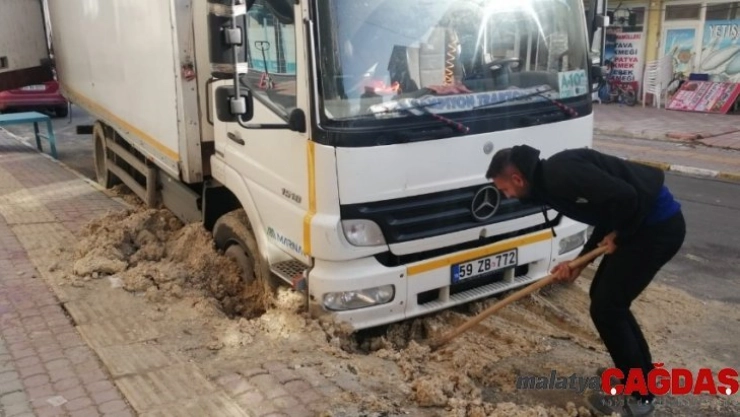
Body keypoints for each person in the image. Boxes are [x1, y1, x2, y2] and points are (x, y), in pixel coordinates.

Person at [485, 144, 686, 416]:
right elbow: (607, 211)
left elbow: (626, 197)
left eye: (505, 189)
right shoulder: (548, 183)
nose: (507, 196)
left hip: (657, 226)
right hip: (640, 225)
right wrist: (580, 262)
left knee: (608, 308)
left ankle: (642, 397)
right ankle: (641, 377)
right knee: (605, 300)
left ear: (517, 179)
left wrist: (620, 235)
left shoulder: (560, 174)